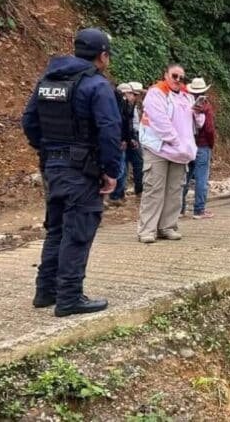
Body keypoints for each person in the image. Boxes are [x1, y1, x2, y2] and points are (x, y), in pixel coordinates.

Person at [21, 27, 121, 317]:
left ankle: (46, 291)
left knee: (56, 229)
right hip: (82, 170)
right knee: (77, 230)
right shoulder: (97, 86)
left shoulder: (47, 80)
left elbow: (29, 121)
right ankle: (69, 297)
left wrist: (48, 149)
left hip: (52, 166)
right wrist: (110, 170)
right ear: (102, 56)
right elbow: (109, 131)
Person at [137, 63, 205, 243]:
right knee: (154, 190)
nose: (178, 80)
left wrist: (198, 112)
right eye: (175, 76)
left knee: (175, 191)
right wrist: (176, 142)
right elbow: (160, 122)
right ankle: (147, 229)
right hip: (159, 149)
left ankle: (167, 226)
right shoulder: (156, 93)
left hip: (180, 153)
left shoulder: (186, 96)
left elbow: (197, 124)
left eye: (181, 77)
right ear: (165, 75)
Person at [181, 78, 216, 219]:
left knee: (185, 177)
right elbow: (209, 129)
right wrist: (211, 143)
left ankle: (179, 209)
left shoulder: (185, 103)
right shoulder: (205, 106)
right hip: (202, 145)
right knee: (202, 178)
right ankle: (199, 209)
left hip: (188, 144)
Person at [108, 83, 141, 205]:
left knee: (123, 168)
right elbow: (122, 124)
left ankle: (118, 194)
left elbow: (128, 125)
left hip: (124, 140)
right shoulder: (119, 107)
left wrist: (128, 139)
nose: (133, 96)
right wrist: (124, 139)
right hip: (119, 141)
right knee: (120, 168)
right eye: (131, 93)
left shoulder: (127, 106)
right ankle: (115, 195)